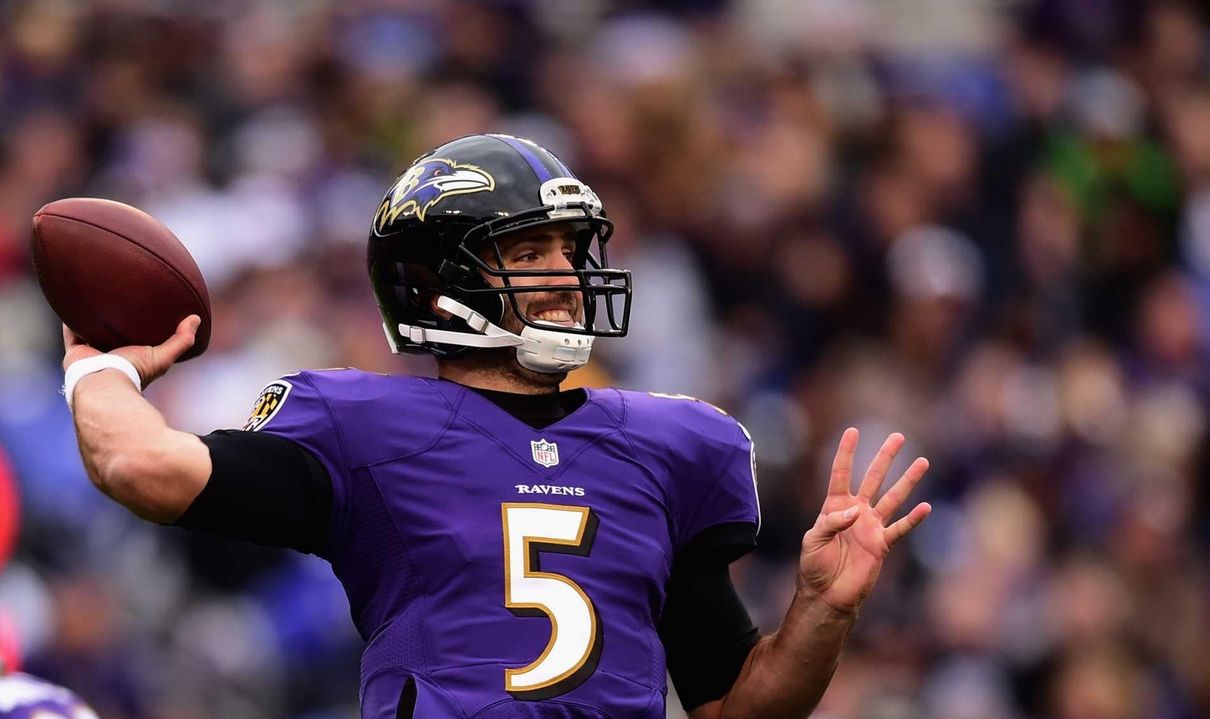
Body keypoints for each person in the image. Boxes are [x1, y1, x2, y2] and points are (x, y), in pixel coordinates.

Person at [60, 134, 932, 718]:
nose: (565, 275)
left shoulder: (671, 446)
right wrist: (100, 361)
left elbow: (737, 706)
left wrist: (820, 610)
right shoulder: (366, 426)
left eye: (568, 249)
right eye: (526, 253)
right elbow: (139, 464)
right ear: (436, 288)